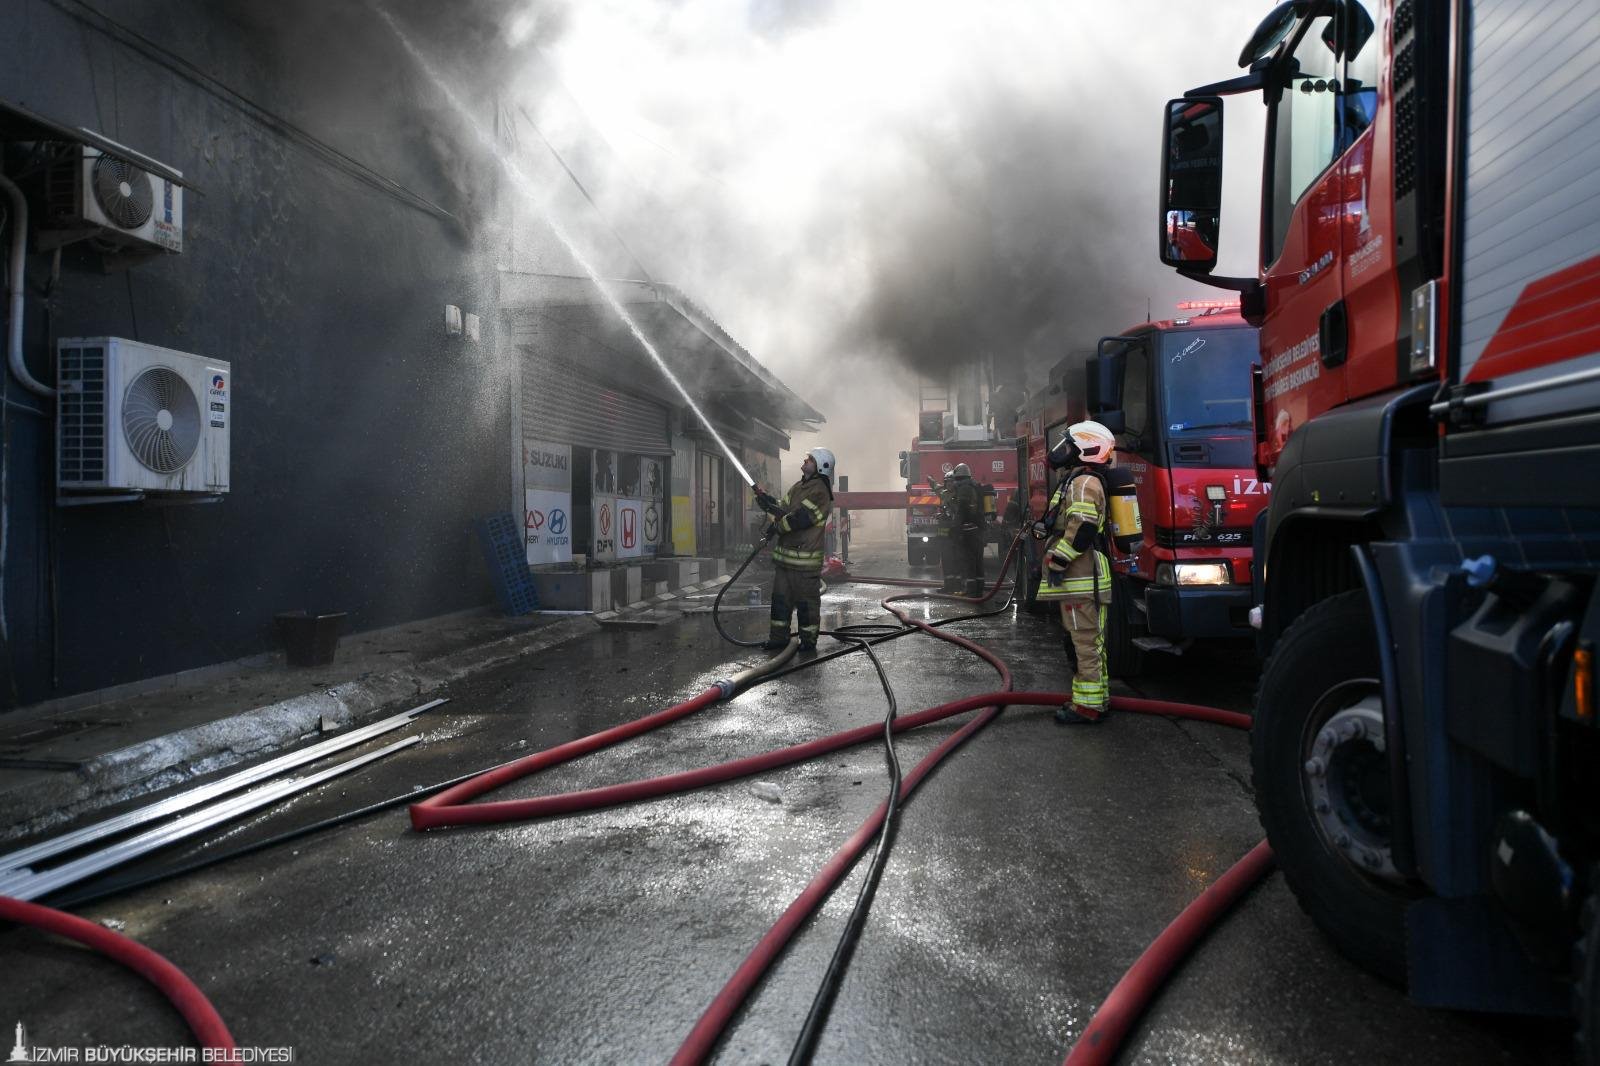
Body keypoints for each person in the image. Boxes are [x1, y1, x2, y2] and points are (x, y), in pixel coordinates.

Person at [1034, 422, 1118, 725]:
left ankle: (1088, 707)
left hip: (1081, 576)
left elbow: (1082, 529)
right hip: (1084, 576)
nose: (1062, 451)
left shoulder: (1084, 484)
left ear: (1086, 448)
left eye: (1069, 445)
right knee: (1089, 641)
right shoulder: (1080, 480)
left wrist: (1057, 561)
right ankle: (1096, 699)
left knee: (1084, 641)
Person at [754, 447, 835, 653]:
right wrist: (768, 503)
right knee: (780, 601)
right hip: (785, 561)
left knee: (807, 605)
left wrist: (778, 526)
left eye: (810, 459)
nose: (805, 460)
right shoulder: (799, 486)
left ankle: (808, 642)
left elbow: (802, 518)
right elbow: (784, 508)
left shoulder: (821, 491)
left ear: (821, 466)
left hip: (805, 564)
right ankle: (778, 638)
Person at [943, 463, 986, 596]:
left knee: (968, 560)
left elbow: (962, 510)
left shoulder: (964, 489)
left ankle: (971, 589)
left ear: (958, 477)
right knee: (978, 560)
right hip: (977, 529)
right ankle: (979, 588)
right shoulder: (975, 486)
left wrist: (955, 528)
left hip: (968, 530)